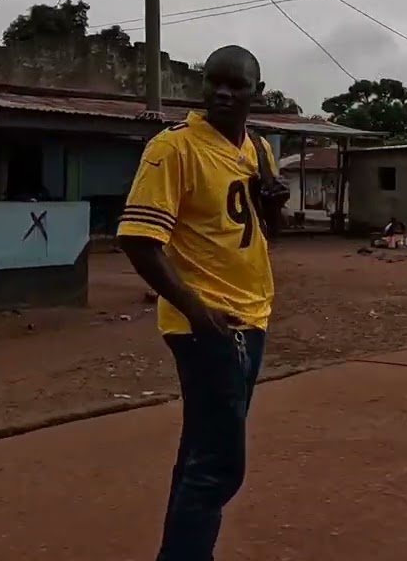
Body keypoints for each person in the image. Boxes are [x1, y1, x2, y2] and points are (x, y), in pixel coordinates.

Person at [117, 45, 289, 561]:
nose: (221, 92)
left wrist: (271, 201)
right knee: (219, 463)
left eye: (236, 85)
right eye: (213, 81)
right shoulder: (172, 148)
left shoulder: (258, 148)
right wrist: (196, 309)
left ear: (256, 92)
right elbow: (138, 240)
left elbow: (261, 231)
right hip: (209, 323)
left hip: (252, 314)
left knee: (201, 455)